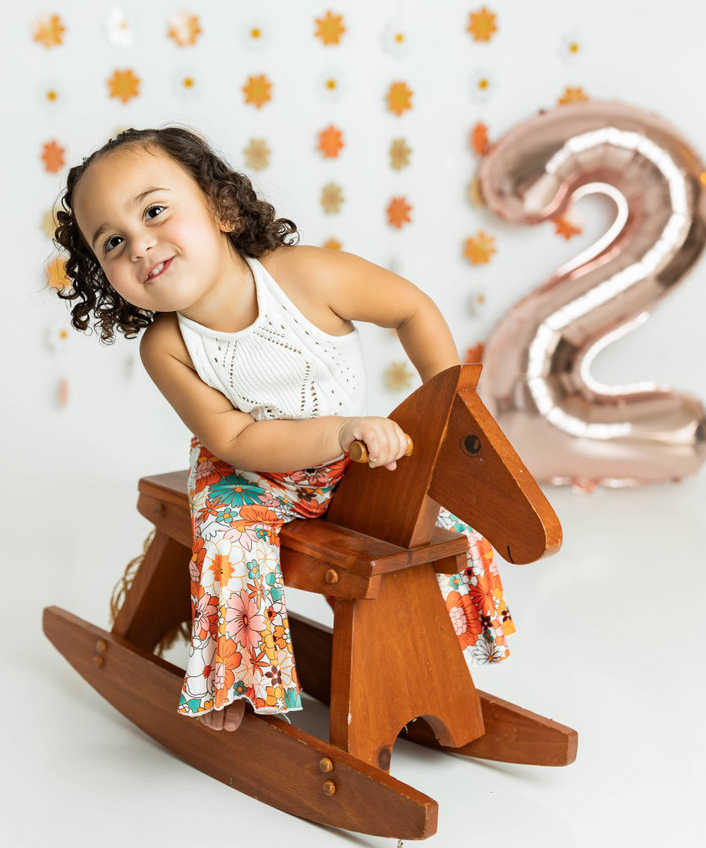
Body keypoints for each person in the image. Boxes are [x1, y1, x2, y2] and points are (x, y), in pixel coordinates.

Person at [52, 127, 514, 733]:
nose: (141, 244)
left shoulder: (302, 276)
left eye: (156, 211)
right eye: (113, 241)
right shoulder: (167, 346)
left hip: (354, 456)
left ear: (218, 207)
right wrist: (340, 430)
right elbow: (236, 439)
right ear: (104, 273)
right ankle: (237, 675)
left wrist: (449, 407)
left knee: (442, 505)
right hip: (249, 472)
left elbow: (412, 309)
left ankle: (449, 644)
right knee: (228, 536)